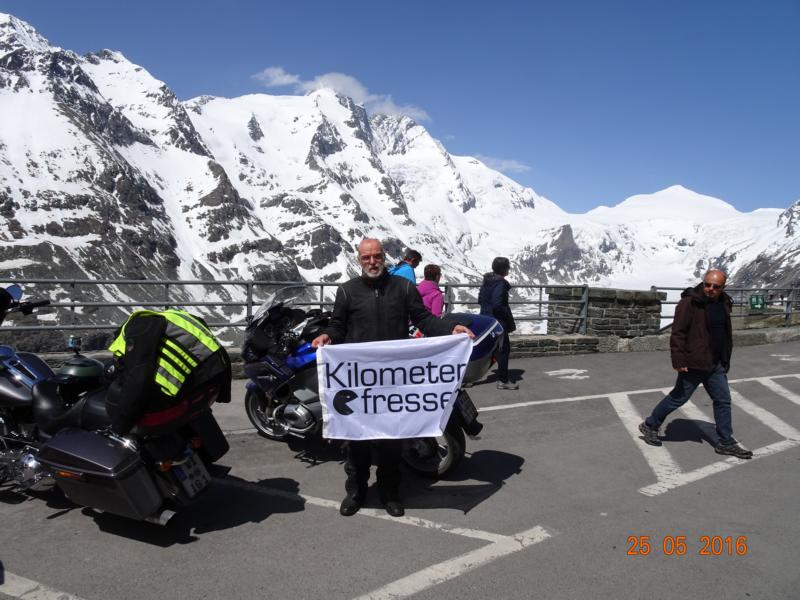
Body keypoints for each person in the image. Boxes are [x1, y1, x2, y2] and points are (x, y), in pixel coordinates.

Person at [312, 238, 474, 517]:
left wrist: (451, 329)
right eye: (366, 257)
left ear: (384, 257)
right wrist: (327, 335)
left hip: (392, 380)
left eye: (377, 256)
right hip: (359, 381)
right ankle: (356, 492)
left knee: (391, 440)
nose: (372, 262)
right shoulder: (347, 291)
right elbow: (338, 325)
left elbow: (423, 319)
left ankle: (390, 493)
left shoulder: (403, 287)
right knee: (356, 440)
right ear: (359, 260)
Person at [638, 269, 753, 459]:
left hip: (715, 363)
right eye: (707, 284)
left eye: (715, 286)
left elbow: (724, 333)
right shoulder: (689, 302)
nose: (710, 289)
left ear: (723, 287)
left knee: (723, 400)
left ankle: (726, 442)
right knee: (678, 398)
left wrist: (724, 359)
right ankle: (650, 425)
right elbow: (678, 333)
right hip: (694, 362)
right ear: (703, 283)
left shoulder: (724, 302)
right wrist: (679, 359)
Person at [106, 308, 231, 435]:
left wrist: (120, 427)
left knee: (119, 393)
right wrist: (224, 392)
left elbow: (139, 379)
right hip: (213, 381)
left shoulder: (136, 330)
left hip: (185, 391)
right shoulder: (169, 317)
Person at [478, 257, 518, 390]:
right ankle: (503, 380)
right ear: (504, 269)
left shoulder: (487, 281)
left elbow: (480, 299)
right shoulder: (500, 283)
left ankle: (468, 378)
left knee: (483, 349)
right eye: (508, 267)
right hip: (497, 322)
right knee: (503, 350)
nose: (509, 269)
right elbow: (497, 304)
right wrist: (506, 315)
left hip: (485, 319)